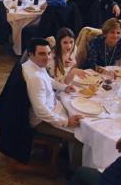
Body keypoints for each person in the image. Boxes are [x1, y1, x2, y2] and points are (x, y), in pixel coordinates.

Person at [22, 38, 83, 168]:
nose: (47, 58)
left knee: (76, 109)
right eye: (42, 54)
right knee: (81, 136)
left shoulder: (34, 65)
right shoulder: (35, 78)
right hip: (41, 121)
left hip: (52, 108)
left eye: (49, 53)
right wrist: (66, 122)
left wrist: (64, 87)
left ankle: (66, 153)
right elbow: (41, 112)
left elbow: (49, 80)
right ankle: (74, 173)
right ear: (31, 54)